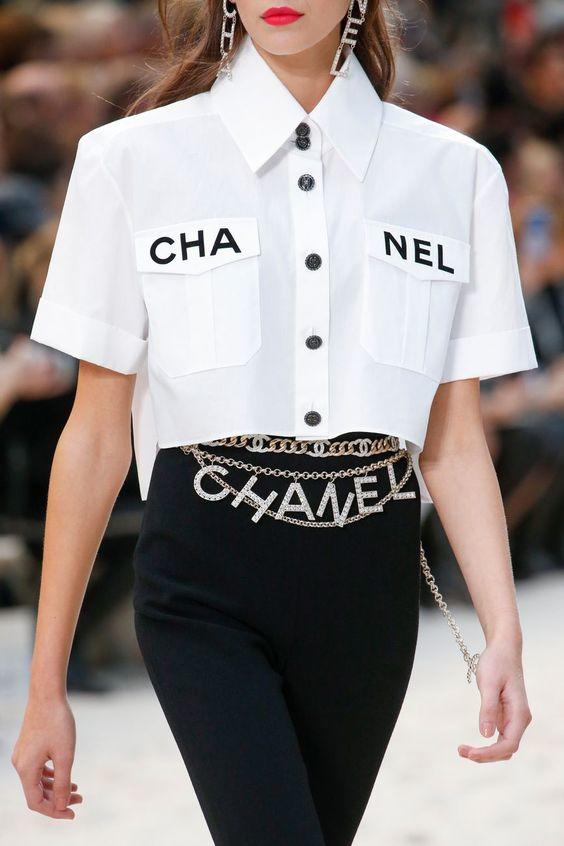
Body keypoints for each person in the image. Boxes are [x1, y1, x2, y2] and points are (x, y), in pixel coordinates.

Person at [11, 2, 537, 843]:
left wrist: (502, 631)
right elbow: (96, 433)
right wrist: (46, 687)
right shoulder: (129, 160)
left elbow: (453, 438)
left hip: (369, 585)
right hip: (202, 578)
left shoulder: (455, 172)